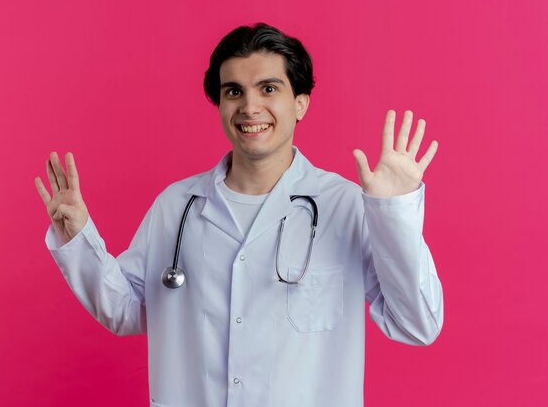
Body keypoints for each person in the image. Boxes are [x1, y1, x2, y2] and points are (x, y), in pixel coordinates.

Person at [35, 23, 443, 407]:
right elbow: (126, 311)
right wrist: (78, 237)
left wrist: (393, 213)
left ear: (300, 103)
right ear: (219, 104)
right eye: (233, 92)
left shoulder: (344, 205)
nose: (250, 107)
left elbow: (417, 323)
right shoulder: (177, 207)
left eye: (268, 89)